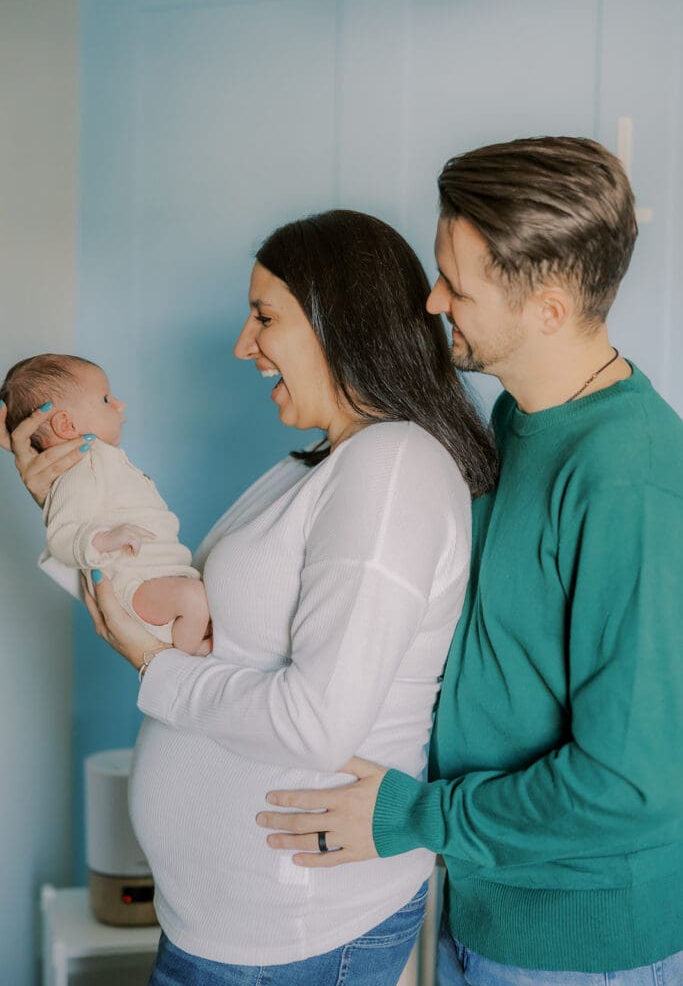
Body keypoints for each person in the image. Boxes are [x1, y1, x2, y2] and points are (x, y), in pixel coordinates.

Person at [1, 210, 498, 985]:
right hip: (233, 927)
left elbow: (313, 721)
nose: (243, 344)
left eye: (265, 316)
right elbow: (180, 626)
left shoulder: (391, 467)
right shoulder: (315, 467)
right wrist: (76, 512)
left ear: (344, 322)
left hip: (292, 933)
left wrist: (151, 671)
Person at [253, 139, 683, 984]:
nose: (431, 297)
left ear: (548, 309)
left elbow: (630, 785)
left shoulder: (628, 480)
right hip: (488, 908)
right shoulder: (522, 423)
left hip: (582, 950)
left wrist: (414, 815)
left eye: (458, 283)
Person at [1, 354, 211, 653]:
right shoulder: (80, 469)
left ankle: (194, 646)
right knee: (192, 598)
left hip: (157, 576)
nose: (119, 405)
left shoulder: (100, 461)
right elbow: (63, 538)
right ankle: (190, 657)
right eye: (105, 399)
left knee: (200, 597)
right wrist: (106, 539)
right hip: (133, 583)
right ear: (65, 423)